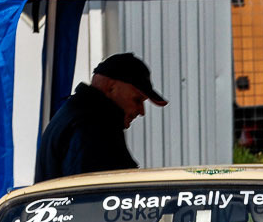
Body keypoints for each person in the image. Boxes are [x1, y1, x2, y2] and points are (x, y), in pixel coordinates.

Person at [33, 53, 168, 182]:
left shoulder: (75, 115)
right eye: (137, 100)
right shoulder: (92, 124)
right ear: (111, 88)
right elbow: (91, 191)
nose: (141, 111)